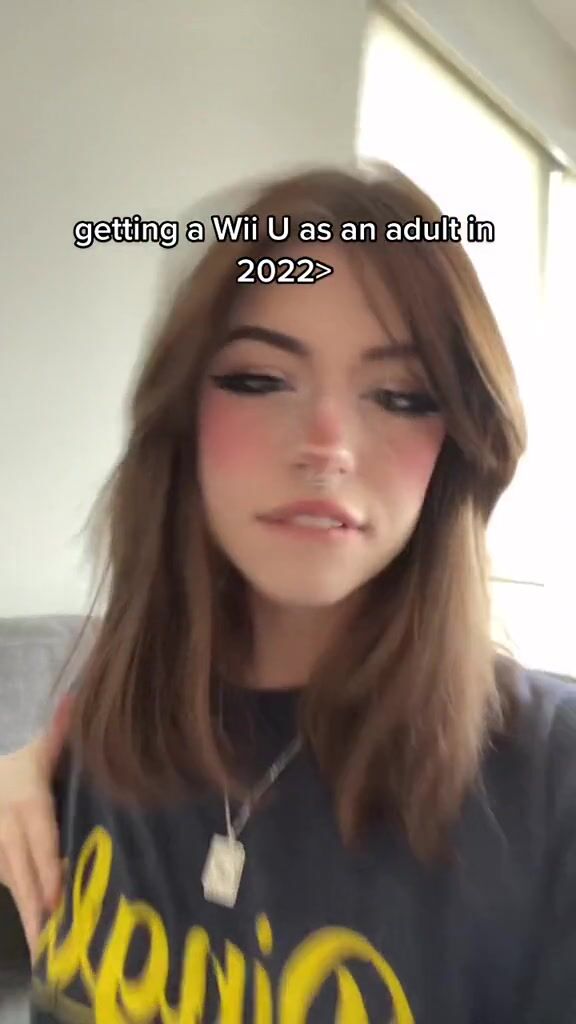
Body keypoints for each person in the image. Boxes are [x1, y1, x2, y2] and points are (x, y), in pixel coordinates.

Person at [0, 162, 575, 1023]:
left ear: (459, 442)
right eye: (260, 380)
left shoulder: (552, 783)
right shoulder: (101, 727)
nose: (327, 445)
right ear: (181, 416)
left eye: (399, 395)